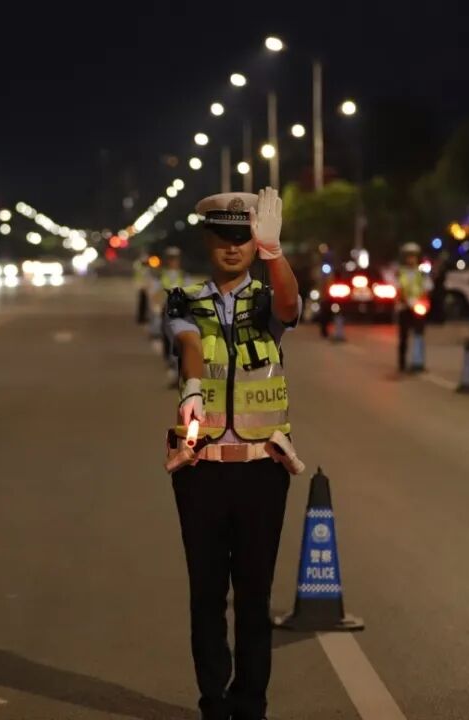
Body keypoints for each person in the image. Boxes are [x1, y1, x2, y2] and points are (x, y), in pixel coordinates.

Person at [165, 188, 302, 720]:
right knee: (206, 596)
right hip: (200, 472)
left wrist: (274, 254)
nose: (231, 248)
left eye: (241, 238)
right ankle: (213, 702)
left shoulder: (267, 299)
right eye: (223, 237)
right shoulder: (184, 299)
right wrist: (193, 387)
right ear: (207, 239)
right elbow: (189, 343)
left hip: (263, 471)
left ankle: (250, 704)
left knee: (253, 596)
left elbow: (290, 306)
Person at [394, 242, 433, 373]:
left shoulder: (421, 274)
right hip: (404, 307)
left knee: (419, 335)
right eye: (408, 256)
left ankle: (418, 362)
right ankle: (402, 364)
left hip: (418, 307)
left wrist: (421, 301)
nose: (411, 259)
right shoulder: (400, 273)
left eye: (413, 256)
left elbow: (426, 289)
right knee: (403, 337)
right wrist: (405, 300)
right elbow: (398, 289)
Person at [159, 247, 190, 386]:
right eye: (170, 258)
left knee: (179, 342)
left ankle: (179, 372)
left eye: (175, 258)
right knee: (168, 342)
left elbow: (190, 293)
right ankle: (173, 370)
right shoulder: (161, 275)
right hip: (166, 312)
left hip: (181, 313)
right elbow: (156, 292)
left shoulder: (184, 276)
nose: (173, 261)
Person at [134, 253, 151, 324]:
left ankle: (143, 317)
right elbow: (139, 278)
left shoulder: (145, 268)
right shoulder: (140, 268)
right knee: (142, 303)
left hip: (146, 287)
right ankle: (141, 318)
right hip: (141, 287)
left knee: (145, 303)